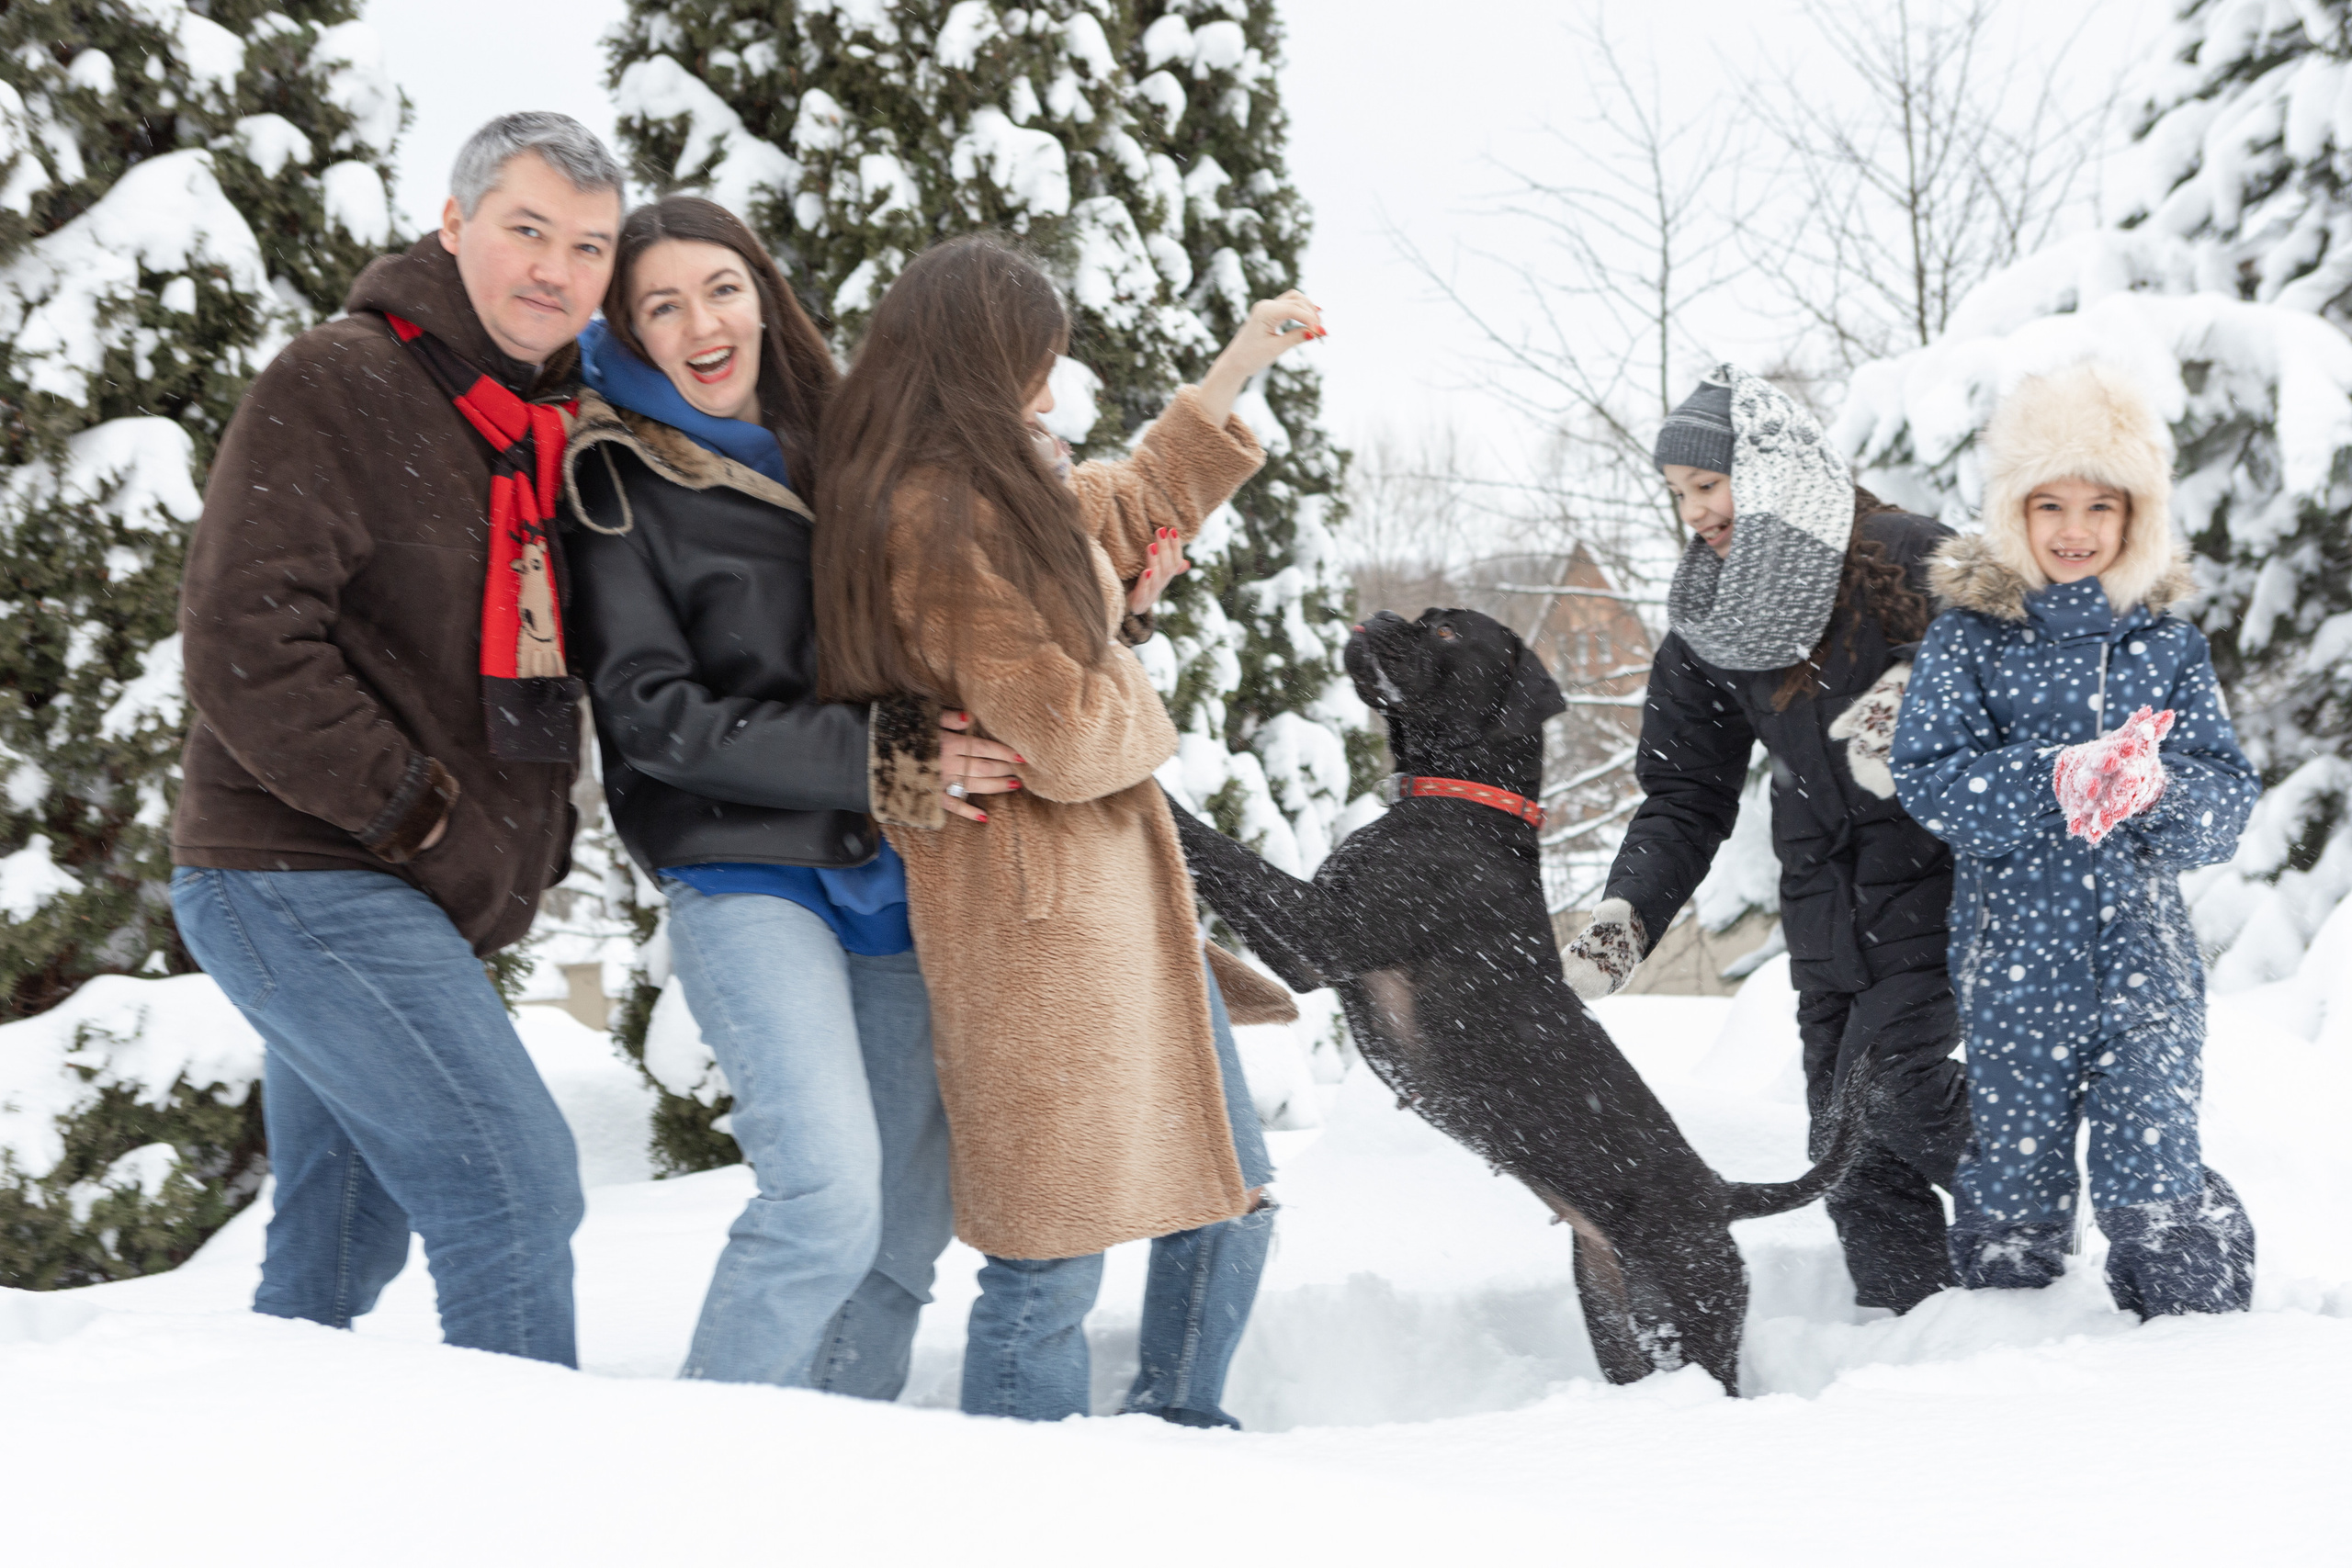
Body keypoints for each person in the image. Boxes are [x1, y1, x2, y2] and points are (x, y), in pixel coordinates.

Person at [812, 234, 1321, 1426]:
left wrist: (1240, 361)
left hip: (1113, 904)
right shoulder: (935, 514)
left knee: (1228, 1184)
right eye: (1039, 355)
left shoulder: (1008, 475)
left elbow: (1134, 503)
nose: (1055, 378)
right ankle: (1028, 1504)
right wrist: (1136, 683)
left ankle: (1179, 1423)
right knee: (1048, 1253)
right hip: (1029, 913)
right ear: (987, 357)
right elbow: (1070, 730)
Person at [169, 114, 625, 1364]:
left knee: (341, 1238)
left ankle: (258, 1490)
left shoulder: (551, 427)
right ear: (453, 223)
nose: (556, 270)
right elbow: (244, 635)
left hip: (401, 890)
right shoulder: (341, 380)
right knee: (515, 1183)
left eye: (589, 247)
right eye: (526, 229)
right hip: (297, 867)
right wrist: (419, 815)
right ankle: (524, 1506)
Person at [559, 196, 1023, 1394]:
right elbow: (654, 715)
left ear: (763, 292)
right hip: (745, 866)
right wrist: (886, 754)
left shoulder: (844, 441)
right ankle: (694, 1489)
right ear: (629, 327)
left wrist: (1111, 582)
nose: (700, 322)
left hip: (893, 870)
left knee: (899, 1241)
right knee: (824, 1195)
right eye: (661, 304)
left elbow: (957, 606)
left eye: (721, 287)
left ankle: (829, 1493)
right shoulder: (613, 478)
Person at [1561, 365, 1972, 1314]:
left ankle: (2049, 1225)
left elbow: (2029, 671)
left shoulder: (1908, 558)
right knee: (1845, 1153)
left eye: (1707, 487)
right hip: (1828, 919)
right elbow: (1683, 796)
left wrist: (1922, 710)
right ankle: (1910, 1333)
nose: (1694, 514)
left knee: (1899, 1093)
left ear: (1771, 472)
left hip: (1952, 895)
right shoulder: (1711, 622)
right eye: (1679, 496)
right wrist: (1626, 917)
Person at [1890, 361, 2259, 1316]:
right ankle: (2010, 1361)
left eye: (2101, 506)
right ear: (2014, 513)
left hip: (2144, 970)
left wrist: (2155, 788)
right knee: (2011, 1186)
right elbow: (1928, 778)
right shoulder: (1968, 641)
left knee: (2155, 1174)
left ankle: (2198, 1354)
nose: (2073, 530)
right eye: (2048, 504)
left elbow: (2225, 798)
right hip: (2014, 966)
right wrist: (2052, 776)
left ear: (2136, 517)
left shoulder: (2165, 645)